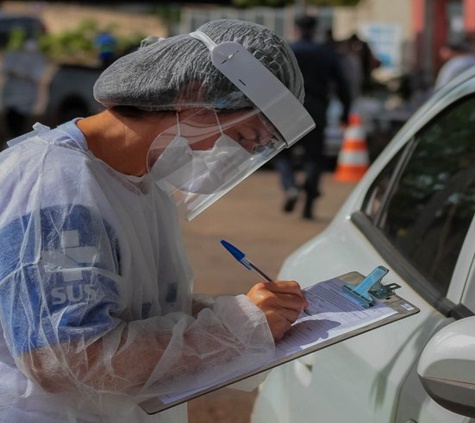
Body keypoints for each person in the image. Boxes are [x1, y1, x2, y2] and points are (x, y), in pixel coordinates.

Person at [0, 19, 313, 422]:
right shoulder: (58, 186)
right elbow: (66, 361)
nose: (218, 153)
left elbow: (138, 308)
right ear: (193, 96)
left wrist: (240, 315)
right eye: (238, 137)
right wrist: (232, 332)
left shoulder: (140, 181)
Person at [275, 15, 351, 219]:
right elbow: (343, 85)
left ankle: (290, 186)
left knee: (282, 154)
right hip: (317, 110)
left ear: (295, 29)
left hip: (289, 109)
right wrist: (346, 111)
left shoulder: (288, 51)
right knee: (313, 159)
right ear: (315, 30)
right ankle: (308, 206)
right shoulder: (326, 53)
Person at [2, 35, 46, 141]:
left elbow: (37, 75)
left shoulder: (38, 59)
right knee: (11, 117)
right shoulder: (13, 55)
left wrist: (21, 74)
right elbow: (6, 68)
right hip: (11, 94)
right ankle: (11, 137)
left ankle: (16, 138)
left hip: (26, 96)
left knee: (21, 119)